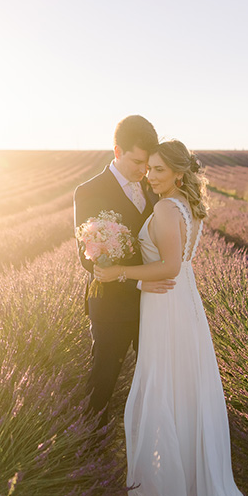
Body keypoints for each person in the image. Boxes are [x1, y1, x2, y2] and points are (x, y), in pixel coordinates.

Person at [94, 140, 248, 496]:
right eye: (151, 169)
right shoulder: (186, 206)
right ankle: (176, 480)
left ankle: (170, 493)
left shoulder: (165, 208)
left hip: (167, 306)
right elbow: (180, 265)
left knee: (164, 388)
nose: (152, 176)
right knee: (179, 389)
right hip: (181, 308)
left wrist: (118, 273)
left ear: (178, 173)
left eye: (160, 170)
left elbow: (168, 268)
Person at [73, 115, 176, 429]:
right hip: (113, 305)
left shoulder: (153, 186)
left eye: (148, 163)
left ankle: (151, 439)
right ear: (117, 151)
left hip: (153, 302)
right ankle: (87, 446)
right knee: (103, 376)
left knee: (157, 377)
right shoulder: (89, 191)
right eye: (136, 162)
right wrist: (130, 275)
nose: (143, 170)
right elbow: (87, 258)